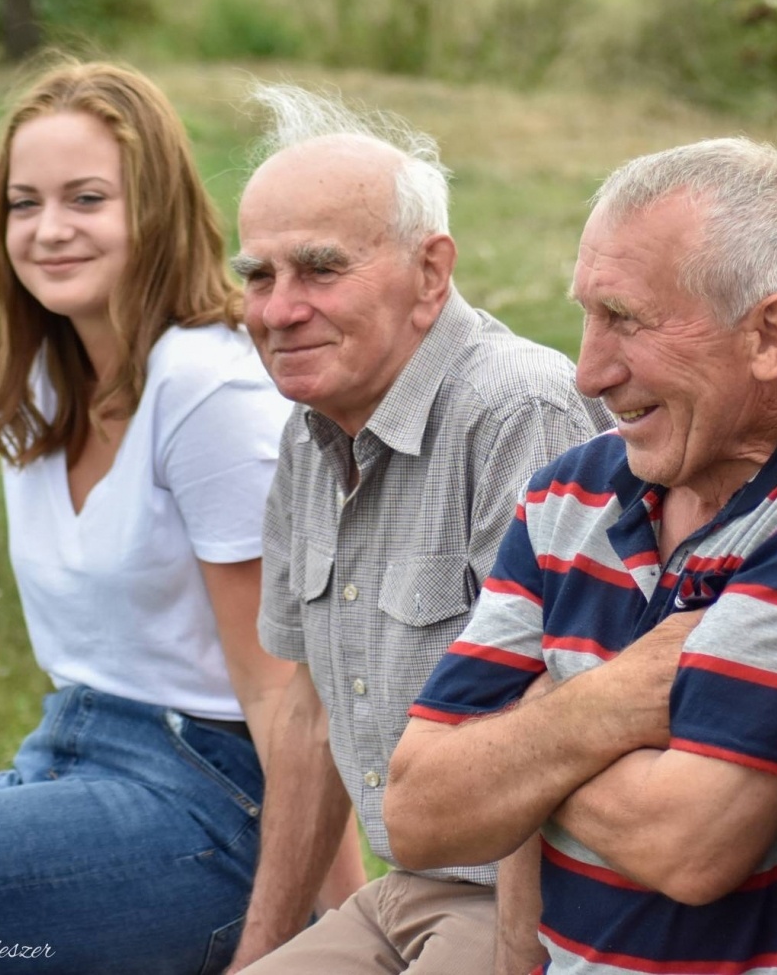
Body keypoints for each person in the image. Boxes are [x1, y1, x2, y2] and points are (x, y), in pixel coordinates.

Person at [383, 137, 777, 975]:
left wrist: (528, 745)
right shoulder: (567, 494)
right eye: (587, 313)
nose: (587, 370)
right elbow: (417, 810)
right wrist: (608, 705)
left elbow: (692, 841)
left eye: (625, 319)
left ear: (770, 335)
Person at [0, 61, 313, 973]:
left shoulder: (205, 390)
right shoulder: (45, 385)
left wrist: (300, 937)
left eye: (86, 198)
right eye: (23, 203)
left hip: (205, 808)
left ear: (155, 208)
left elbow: (289, 697)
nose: (48, 231)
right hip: (68, 753)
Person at [224, 85, 611, 973]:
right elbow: (312, 712)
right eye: (258, 275)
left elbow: (552, 716)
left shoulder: (516, 408)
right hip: (407, 888)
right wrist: (259, 950)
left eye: (320, 269)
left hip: (535, 901)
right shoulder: (308, 432)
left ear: (431, 274)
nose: (279, 310)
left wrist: (518, 957)